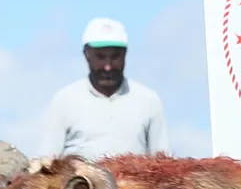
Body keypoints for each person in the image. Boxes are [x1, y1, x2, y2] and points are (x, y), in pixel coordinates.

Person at [39, 17, 169, 159]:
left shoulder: (149, 101)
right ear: (87, 55)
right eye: (100, 57)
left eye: (115, 57)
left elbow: (162, 162)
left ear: (125, 54)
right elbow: (47, 162)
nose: (108, 66)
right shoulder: (64, 101)